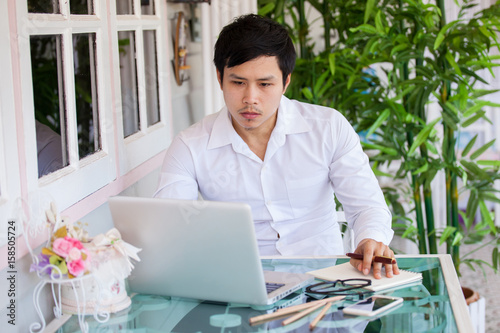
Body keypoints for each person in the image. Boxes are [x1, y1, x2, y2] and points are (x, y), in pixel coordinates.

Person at [154, 14, 399, 279]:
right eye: (238, 82)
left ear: (286, 82)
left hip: (325, 283)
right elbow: (169, 227)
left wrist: (370, 239)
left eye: (265, 84)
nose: (250, 99)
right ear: (219, 78)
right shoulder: (190, 146)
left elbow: (366, 206)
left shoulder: (328, 127)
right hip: (240, 285)